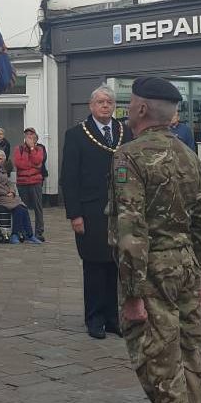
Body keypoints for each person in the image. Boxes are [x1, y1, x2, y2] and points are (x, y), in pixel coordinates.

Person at [109, 77, 201, 403]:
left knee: (159, 365)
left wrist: (133, 292)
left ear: (142, 108)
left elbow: (131, 230)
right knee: (191, 359)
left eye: (130, 103)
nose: (126, 110)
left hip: (153, 272)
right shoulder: (188, 155)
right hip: (185, 266)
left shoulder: (129, 155)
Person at [60, 85, 124, 340]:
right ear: (91, 105)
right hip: (91, 210)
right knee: (95, 265)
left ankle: (112, 317)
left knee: (115, 265)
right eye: (100, 102)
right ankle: (94, 318)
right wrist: (75, 214)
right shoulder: (76, 134)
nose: (106, 106)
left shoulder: (123, 131)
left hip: (120, 211)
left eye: (109, 101)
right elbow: (69, 178)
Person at [0, 150, 40, 244]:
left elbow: (9, 182)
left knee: (23, 207)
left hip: (7, 196)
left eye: (0, 159)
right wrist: (6, 192)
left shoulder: (2, 169)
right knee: (19, 207)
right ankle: (16, 234)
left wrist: (12, 191)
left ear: (3, 161)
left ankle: (28, 235)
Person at [13, 128, 47, 242]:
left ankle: (38, 232)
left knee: (38, 208)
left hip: (35, 182)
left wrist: (32, 148)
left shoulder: (40, 149)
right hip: (22, 183)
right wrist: (32, 165)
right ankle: (24, 232)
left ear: (35, 137)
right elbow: (19, 163)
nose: (29, 137)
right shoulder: (19, 149)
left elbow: (38, 161)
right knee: (23, 208)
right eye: (27, 135)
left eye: (31, 135)